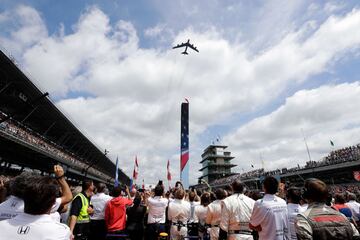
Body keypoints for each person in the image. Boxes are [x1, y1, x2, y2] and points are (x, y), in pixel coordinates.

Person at [0, 175, 71, 240]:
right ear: (53, 203)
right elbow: (68, 197)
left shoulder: (2, 225)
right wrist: (60, 177)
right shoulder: (61, 232)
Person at [0, 165, 72, 221]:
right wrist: (61, 177)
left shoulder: (2, 206)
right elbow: (68, 197)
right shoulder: (38, 203)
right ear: (34, 187)